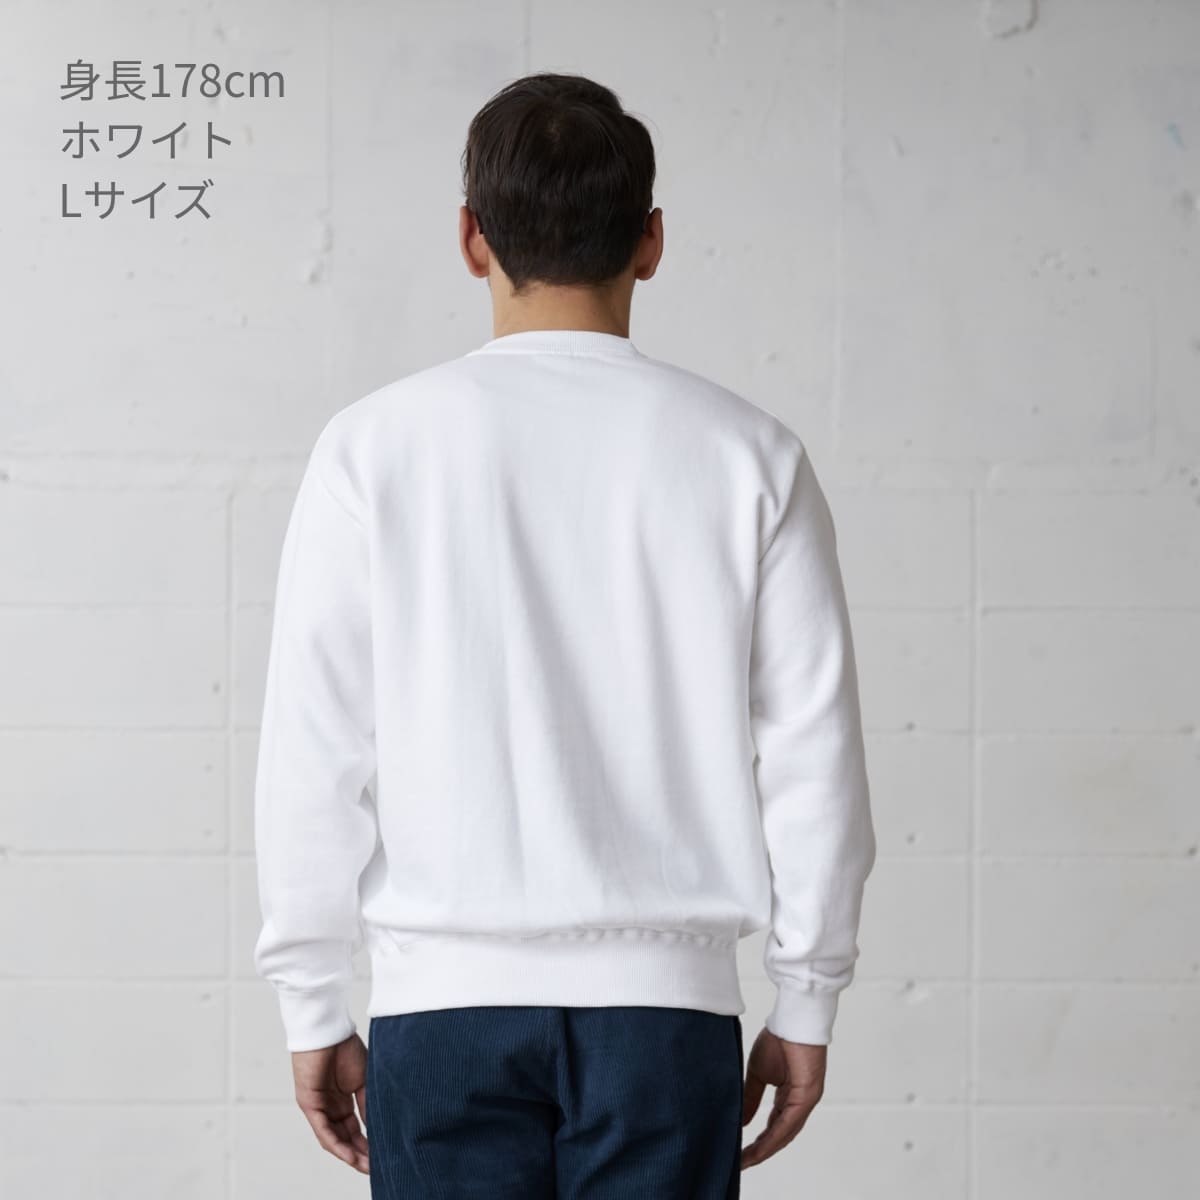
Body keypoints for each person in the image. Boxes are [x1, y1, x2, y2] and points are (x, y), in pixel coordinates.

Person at [252, 70, 877, 1199]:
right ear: (651, 241)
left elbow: (315, 746)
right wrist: (807, 994)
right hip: (667, 1022)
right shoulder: (750, 456)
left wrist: (311, 999)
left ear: (471, 238)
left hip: (441, 1015)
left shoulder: (372, 450)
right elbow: (813, 751)